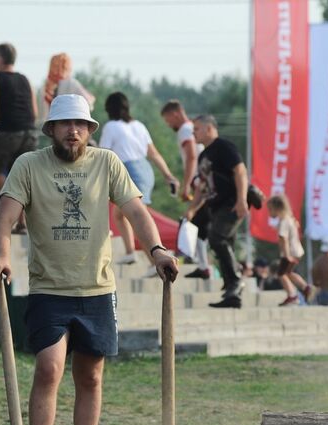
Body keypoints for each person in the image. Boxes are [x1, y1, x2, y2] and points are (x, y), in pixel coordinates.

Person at [0, 93, 177, 425]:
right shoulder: (29, 165)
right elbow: (4, 218)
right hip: (49, 288)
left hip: (97, 288)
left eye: (81, 125)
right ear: (52, 129)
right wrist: (1, 257)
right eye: (65, 125)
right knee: (49, 367)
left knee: (90, 376)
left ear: (90, 130)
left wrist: (156, 250)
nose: (73, 131)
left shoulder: (107, 162)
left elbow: (136, 211)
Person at [100, 92, 177, 265]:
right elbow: (154, 153)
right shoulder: (139, 126)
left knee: (136, 217)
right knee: (120, 215)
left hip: (129, 171)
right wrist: (168, 176)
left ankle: (154, 261)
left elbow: (103, 154)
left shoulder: (111, 126)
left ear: (109, 109)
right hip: (145, 171)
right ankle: (130, 253)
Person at [190, 115, 247, 308]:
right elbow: (202, 187)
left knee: (217, 238)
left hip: (230, 203)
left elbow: (240, 171)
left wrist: (241, 199)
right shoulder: (203, 155)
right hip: (215, 206)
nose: (193, 133)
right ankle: (232, 293)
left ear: (208, 128)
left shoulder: (224, 146)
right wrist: (191, 209)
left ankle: (236, 280)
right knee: (223, 243)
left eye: (196, 129)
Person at [160, 99, 211, 279]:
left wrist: (187, 183)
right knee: (201, 223)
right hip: (205, 180)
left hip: (198, 181)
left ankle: (204, 265)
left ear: (175, 114)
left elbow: (191, 157)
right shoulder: (192, 128)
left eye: (168, 120)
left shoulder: (184, 130)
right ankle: (203, 263)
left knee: (195, 220)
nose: (168, 124)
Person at [0, 43, 39, 194]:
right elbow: (34, 112)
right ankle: (23, 212)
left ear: (0, 59)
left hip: (9, 132)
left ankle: (15, 195)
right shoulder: (26, 79)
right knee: (21, 176)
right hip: (30, 134)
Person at [265, 194, 308, 303]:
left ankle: (292, 295)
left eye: (270, 209)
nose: (269, 213)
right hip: (296, 250)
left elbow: (283, 239)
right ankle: (305, 288)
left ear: (277, 208)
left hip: (290, 252)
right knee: (288, 273)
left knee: (281, 273)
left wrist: (286, 255)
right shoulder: (289, 219)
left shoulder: (284, 221)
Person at [41, 53, 94, 121]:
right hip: (60, 124)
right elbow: (89, 104)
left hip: (56, 124)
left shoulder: (46, 86)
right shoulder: (70, 83)